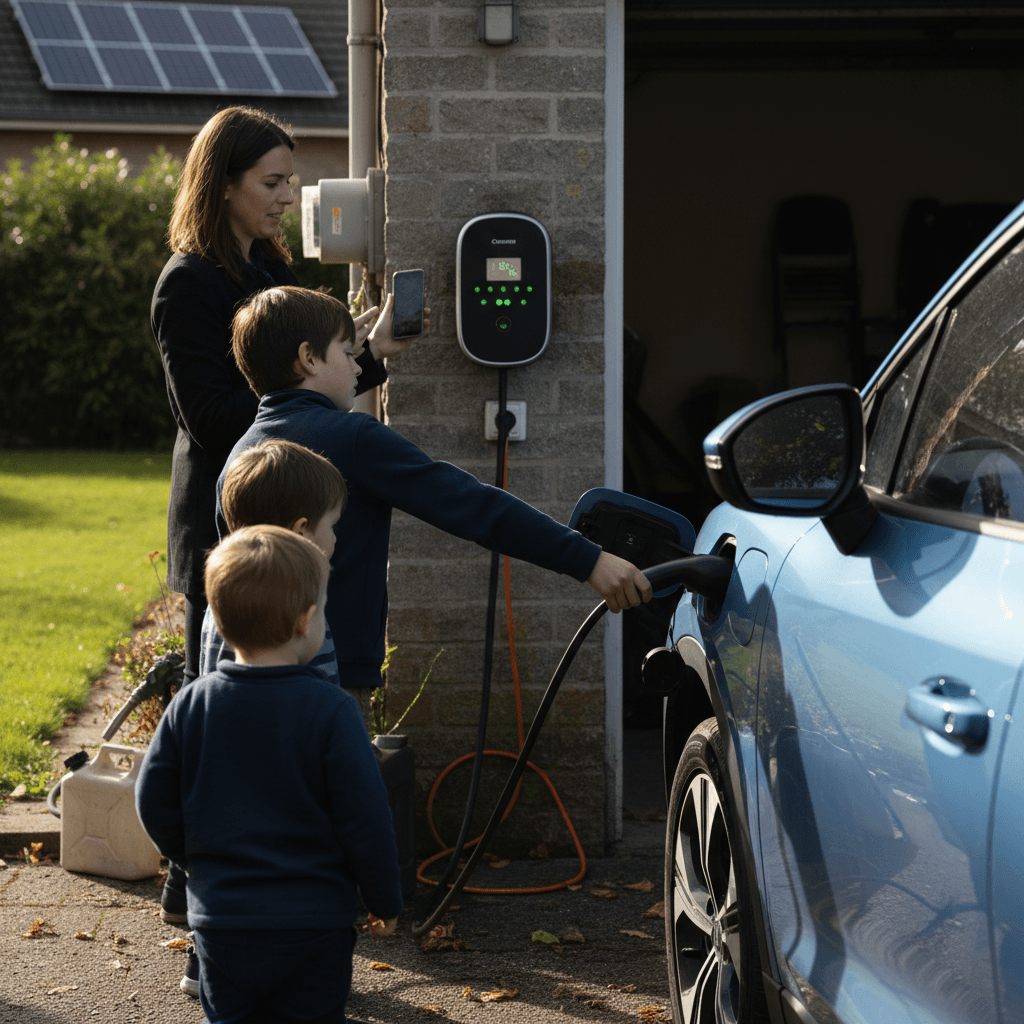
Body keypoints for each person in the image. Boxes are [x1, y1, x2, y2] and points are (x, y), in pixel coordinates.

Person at [222, 285, 654, 702]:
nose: (358, 368)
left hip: (244, 671)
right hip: (329, 675)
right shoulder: (353, 439)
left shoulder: (237, 458)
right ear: (308, 358)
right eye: (349, 353)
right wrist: (588, 559)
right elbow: (470, 504)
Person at [151, 105, 402, 691]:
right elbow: (215, 420)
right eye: (272, 182)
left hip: (284, 526)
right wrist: (333, 368)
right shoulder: (186, 283)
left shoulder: (266, 269)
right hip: (225, 527)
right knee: (215, 707)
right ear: (221, 184)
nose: (288, 195)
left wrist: (361, 354)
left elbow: (293, 394)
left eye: (289, 180)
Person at [136, 525, 402, 1024]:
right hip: (315, 924)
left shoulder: (193, 703)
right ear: (305, 621)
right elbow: (366, 816)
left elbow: (153, 801)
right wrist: (384, 897)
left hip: (223, 922)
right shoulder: (332, 711)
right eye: (322, 608)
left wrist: (194, 857)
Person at [199, 439, 347, 686]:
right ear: (301, 531)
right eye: (332, 525)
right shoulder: (298, 599)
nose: (335, 537)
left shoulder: (224, 595)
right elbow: (323, 691)